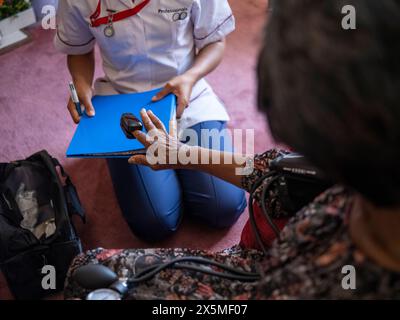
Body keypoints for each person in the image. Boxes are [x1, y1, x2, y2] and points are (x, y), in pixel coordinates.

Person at [65, 0, 400, 300]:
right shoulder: (353, 179)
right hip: (262, 262)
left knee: (88, 274)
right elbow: (272, 172)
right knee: (152, 221)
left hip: (253, 282)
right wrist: (180, 153)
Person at [54, 0, 247, 241]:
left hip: (186, 95)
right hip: (123, 103)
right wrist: (82, 86)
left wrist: (190, 77)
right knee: (154, 224)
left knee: (224, 208)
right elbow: (78, 50)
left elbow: (215, 41)